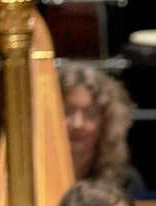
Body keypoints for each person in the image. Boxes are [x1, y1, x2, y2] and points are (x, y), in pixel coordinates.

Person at [58, 62, 146, 195]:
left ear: (106, 123)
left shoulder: (127, 181)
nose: (77, 124)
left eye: (90, 114)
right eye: (67, 112)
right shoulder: (31, 174)